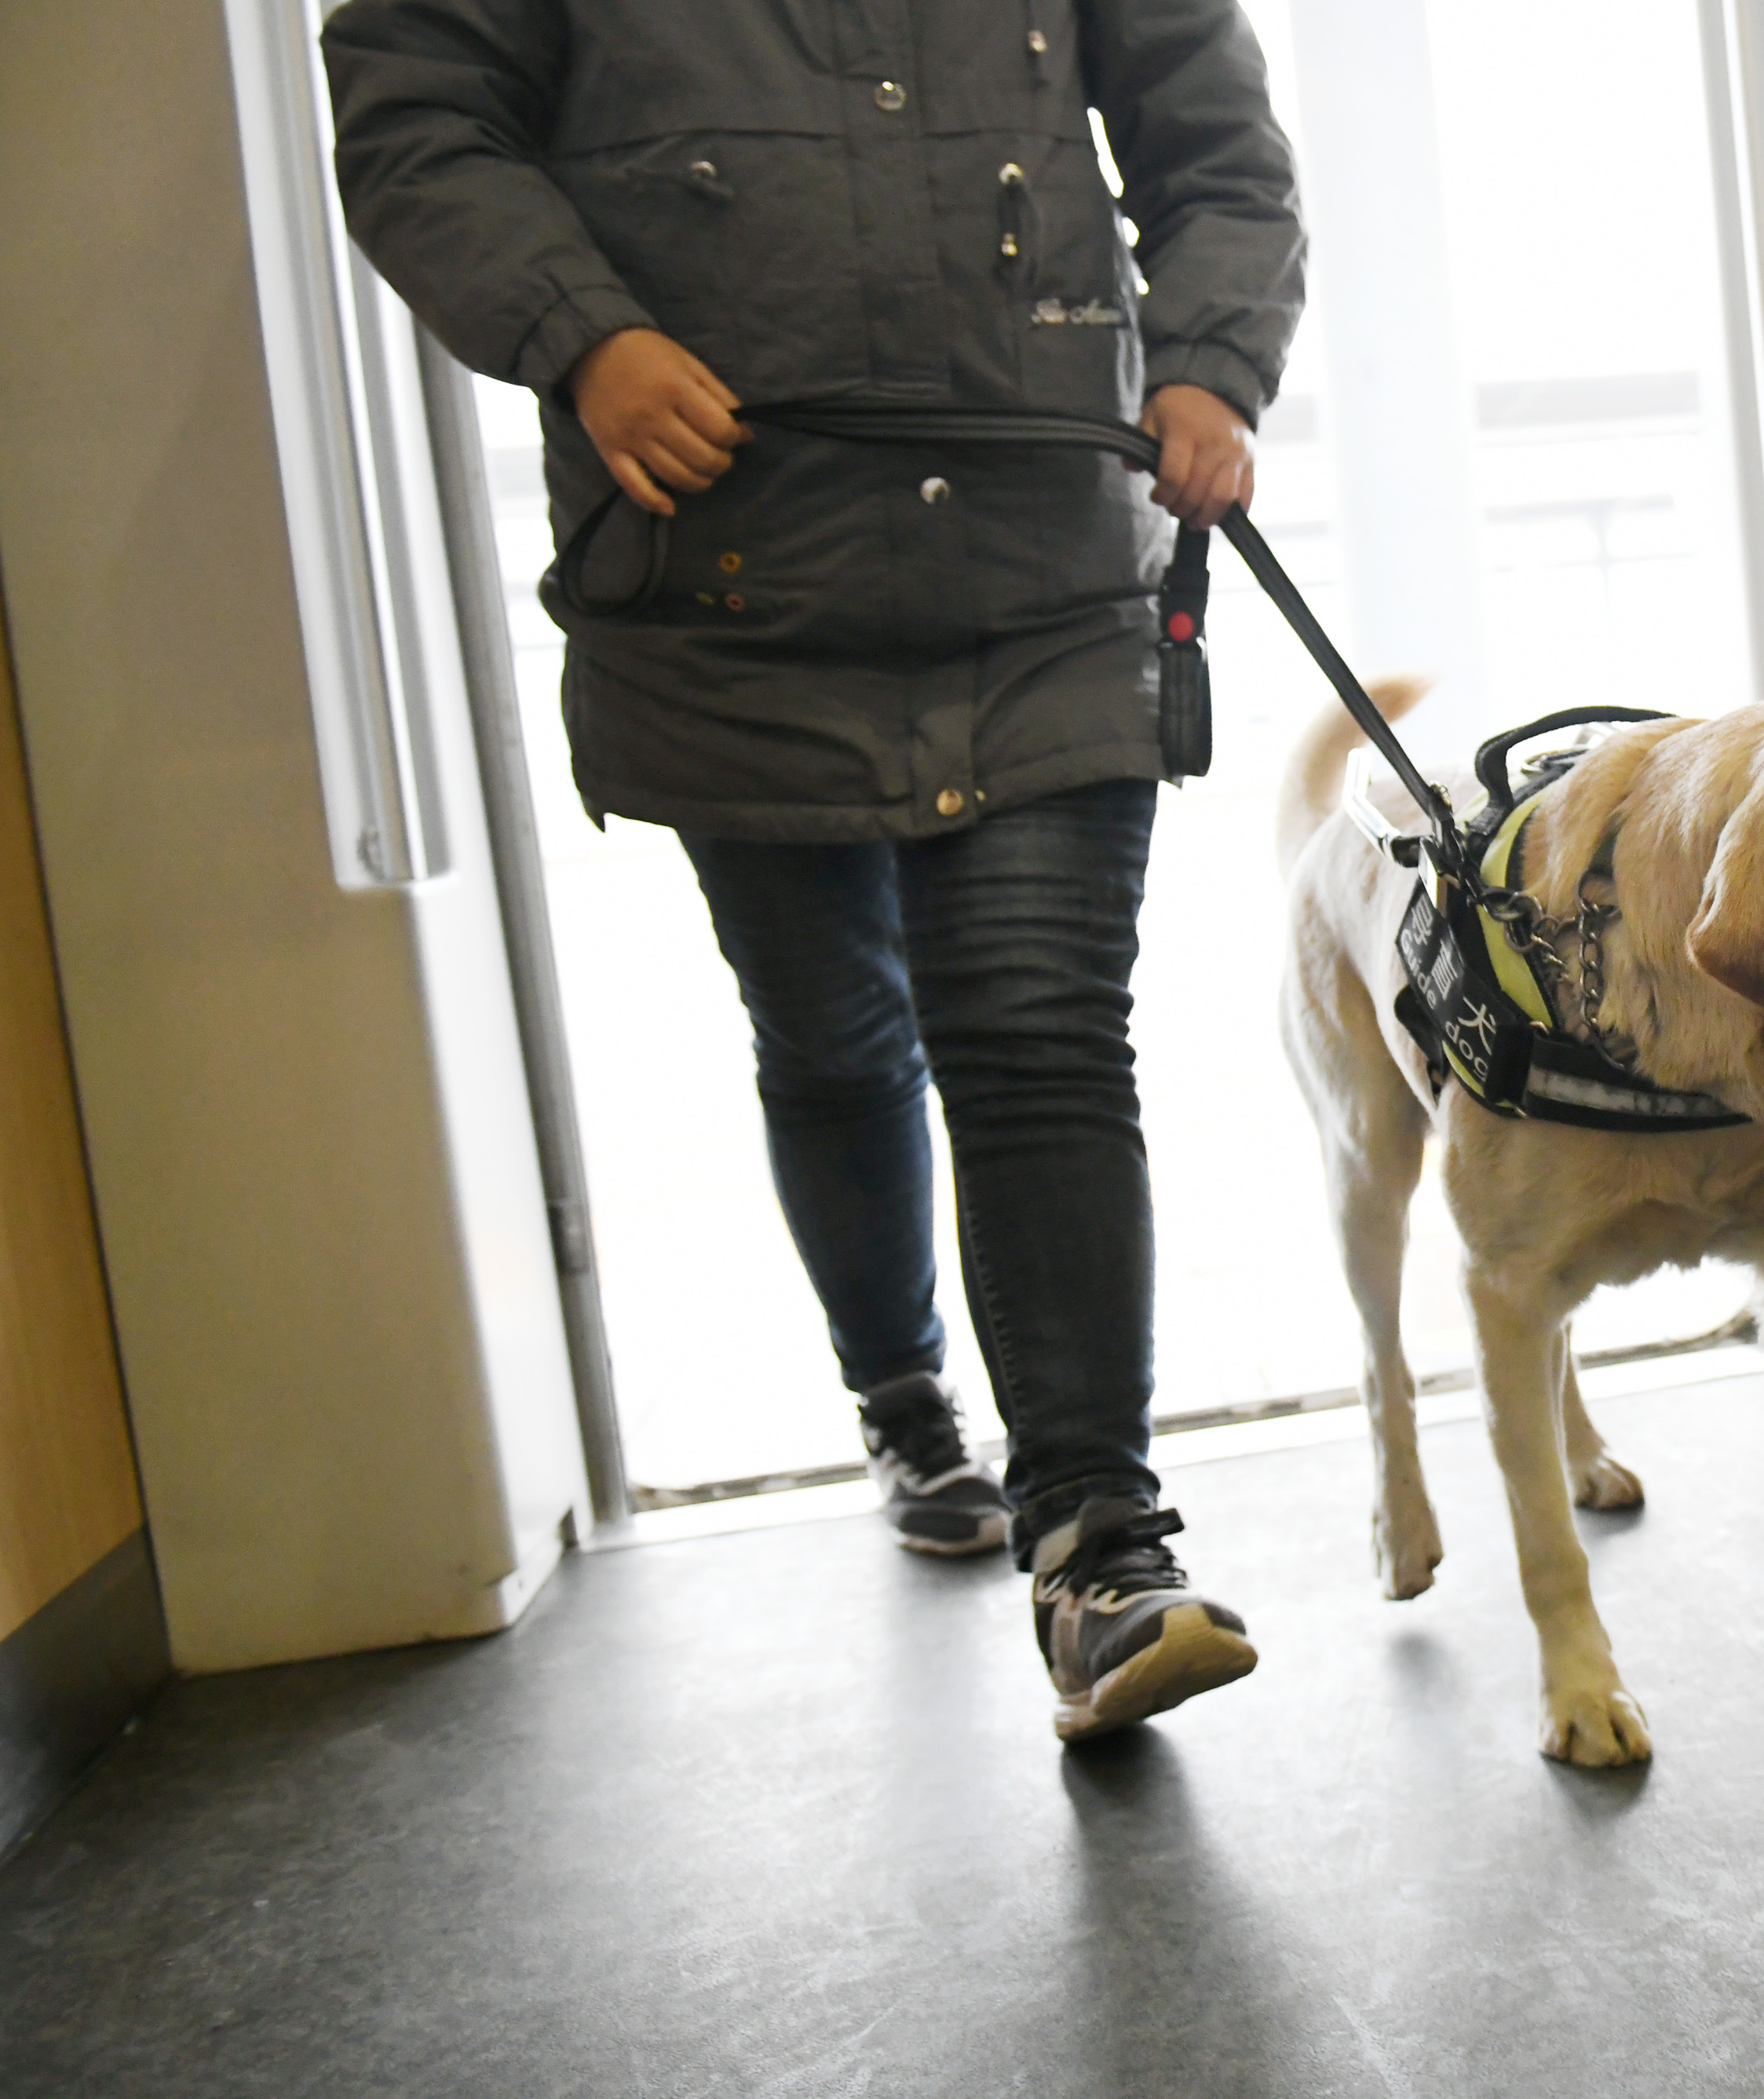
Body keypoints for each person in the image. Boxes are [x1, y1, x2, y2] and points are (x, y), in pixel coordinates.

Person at [322, 0, 1306, 1740]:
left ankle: (1098, 1546)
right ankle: (905, 1390)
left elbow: (1210, 135)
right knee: (840, 1033)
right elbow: (416, 118)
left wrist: (1210, 359)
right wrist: (584, 336)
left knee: (1035, 1032)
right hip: (731, 590)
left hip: (1044, 564)